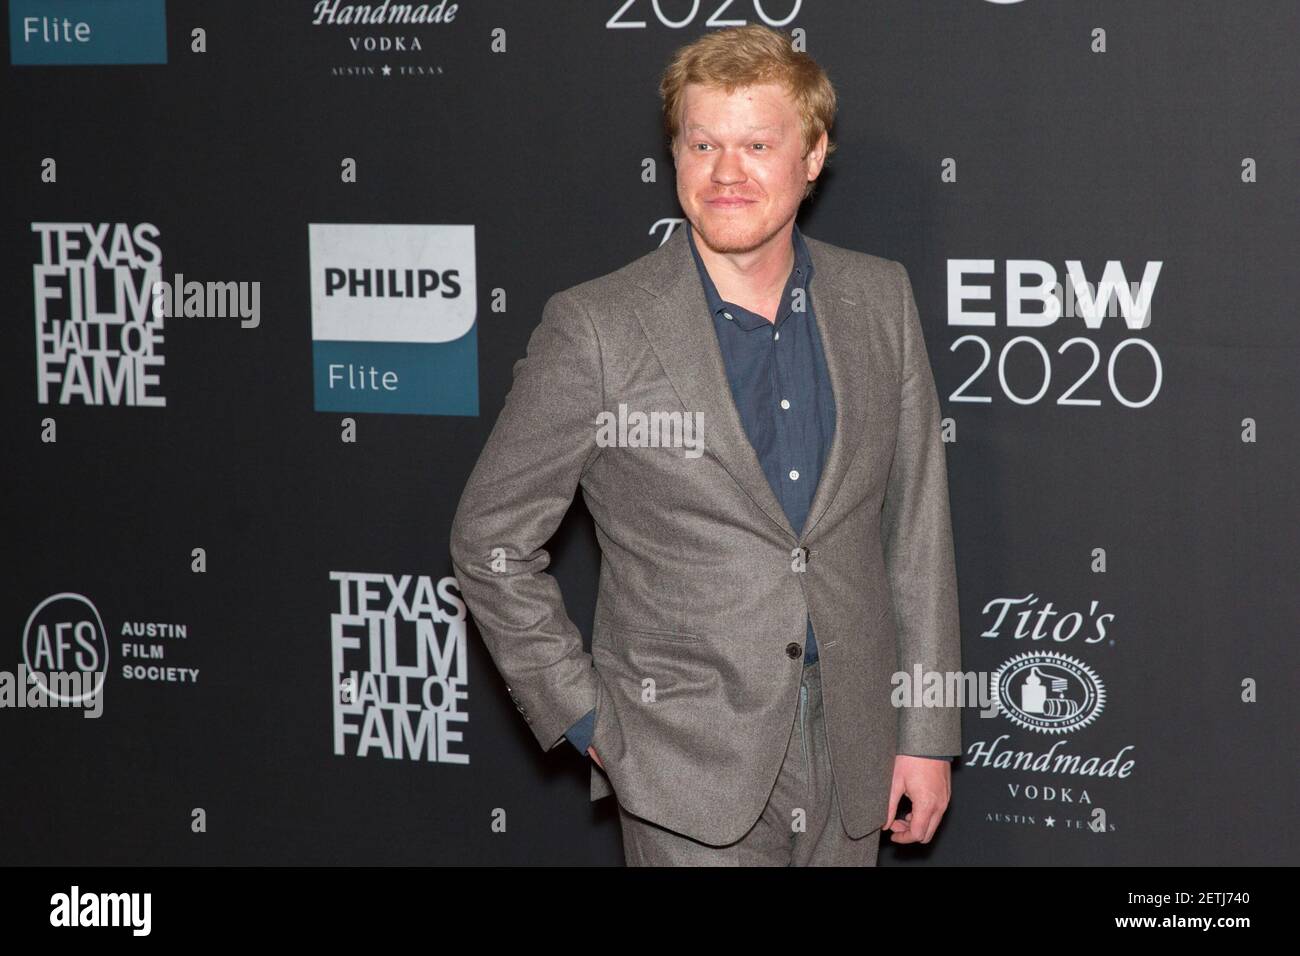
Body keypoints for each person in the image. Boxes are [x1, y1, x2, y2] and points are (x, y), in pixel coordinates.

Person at [449, 23, 962, 866]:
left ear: (813, 154)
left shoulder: (879, 299)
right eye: (703, 144)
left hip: (857, 752)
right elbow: (491, 540)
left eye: (758, 143)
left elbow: (916, 532)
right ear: (675, 155)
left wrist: (929, 729)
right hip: (680, 766)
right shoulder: (598, 329)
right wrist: (588, 719)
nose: (728, 173)